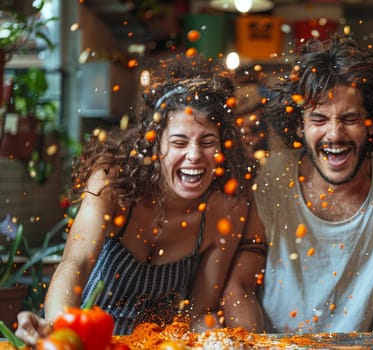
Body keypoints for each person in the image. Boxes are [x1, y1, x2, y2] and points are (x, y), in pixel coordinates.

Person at [14, 56, 265, 343]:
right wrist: (58, 329)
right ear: (154, 144)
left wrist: (216, 341)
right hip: (89, 340)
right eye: (179, 142)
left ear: (222, 147)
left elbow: (200, 310)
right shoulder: (113, 182)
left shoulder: (226, 209)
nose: (195, 155)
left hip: (160, 344)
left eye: (207, 142)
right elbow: (76, 263)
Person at [222, 34, 373, 334]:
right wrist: (256, 344)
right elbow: (238, 287)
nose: (335, 134)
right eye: (319, 119)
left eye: (350, 118)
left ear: (371, 122)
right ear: (299, 124)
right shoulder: (272, 178)